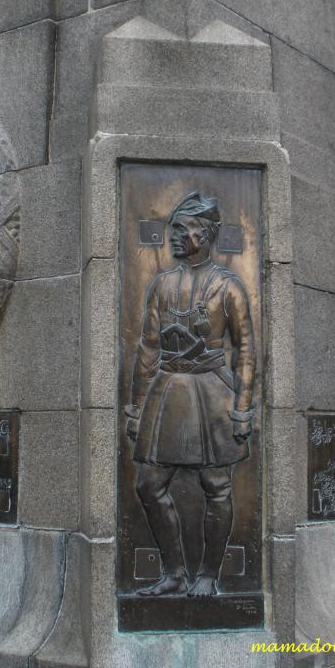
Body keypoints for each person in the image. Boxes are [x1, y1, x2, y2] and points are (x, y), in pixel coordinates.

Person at [126, 190, 256, 597]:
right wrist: (135, 406)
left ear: (208, 233)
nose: (176, 237)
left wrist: (243, 408)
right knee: (148, 485)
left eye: (185, 230)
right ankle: (175, 573)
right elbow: (147, 348)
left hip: (212, 394)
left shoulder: (228, 286)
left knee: (216, 486)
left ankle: (208, 576)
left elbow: (246, 349)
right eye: (173, 230)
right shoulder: (161, 286)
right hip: (168, 392)